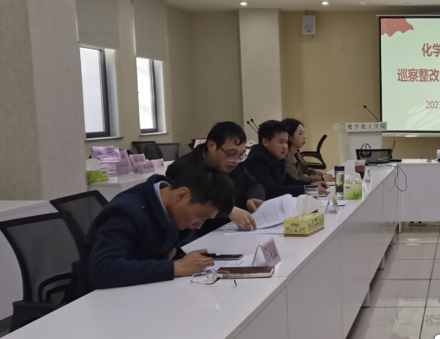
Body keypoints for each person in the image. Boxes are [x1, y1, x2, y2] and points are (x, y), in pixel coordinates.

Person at [79, 163, 234, 293]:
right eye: (200, 216)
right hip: (102, 300)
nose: (199, 225)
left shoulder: (172, 209)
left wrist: (175, 254)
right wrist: (176, 267)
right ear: (182, 195)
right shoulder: (125, 212)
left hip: (144, 290)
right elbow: (103, 270)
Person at [167, 121, 264, 233]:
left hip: (233, 230)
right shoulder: (182, 168)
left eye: (241, 155)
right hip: (200, 233)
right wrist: (226, 210)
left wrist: (253, 198)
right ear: (211, 146)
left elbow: (253, 184)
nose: (236, 160)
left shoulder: (235, 163)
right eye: (231, 153)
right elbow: (185, 207)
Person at [243, 120, 330, 198]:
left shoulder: (275, 158)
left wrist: (311, 185)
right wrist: (306, 189)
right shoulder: (257, 161)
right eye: (281, 142)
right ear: (265, 142)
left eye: (286, 142)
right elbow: (272, 191)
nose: (285, 146)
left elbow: (288, 180)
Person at [282, 118, 333, 183]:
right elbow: (296, 178)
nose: (304, 137)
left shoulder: (296, 153)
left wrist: (324, 175)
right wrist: (321, 178)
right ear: (289, 137)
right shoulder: (284, 155)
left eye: (304, 133)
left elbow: (306, 171)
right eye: (300, 134)